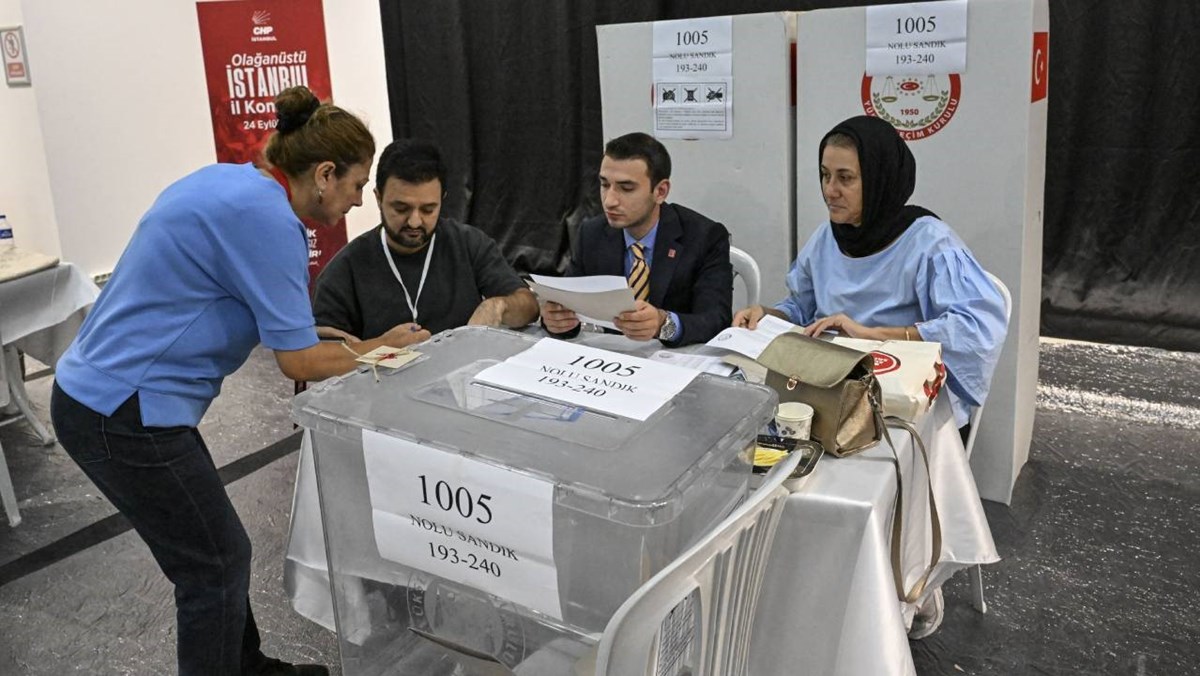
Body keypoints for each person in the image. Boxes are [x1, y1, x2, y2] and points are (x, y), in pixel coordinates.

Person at [50, 87, 427, 676]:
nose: (357, 202)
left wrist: (358, 345)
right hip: (122, 410)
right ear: (325, 174)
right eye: (356, 186)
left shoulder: (228, 183)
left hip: (107, 396)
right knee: (215, 563)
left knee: (214, 551)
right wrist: (382, 350)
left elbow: (282, 323)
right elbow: (298, 361)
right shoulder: (270, 220)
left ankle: (245, 667)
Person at [732, 114, 1007, 639]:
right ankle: (812, 589)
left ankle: (900, 588)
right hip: (835, 387)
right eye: (824, 175)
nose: (830, 191)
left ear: (879, 178)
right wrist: (768, 313)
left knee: (864, 478)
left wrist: (876, 333)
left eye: (846, 178)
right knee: (786, 464)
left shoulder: (928, 241)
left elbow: (977, 327)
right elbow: (804, 304)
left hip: (905, 399)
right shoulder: (828, 238)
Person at [312, 139, 538, 341]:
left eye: (428, 209)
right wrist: (376, 349)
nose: (414, 222)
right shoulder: (345, 269)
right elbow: (324, 357)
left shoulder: (468, 244)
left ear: (443, 200)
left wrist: (499, 305)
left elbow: (528, 305)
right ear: (379, 198)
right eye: (401, 208)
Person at [540, 132, 732, 346]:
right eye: (604, 185)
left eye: (626, 188)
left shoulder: (704, 237)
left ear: (660, 191)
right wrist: (558, 321)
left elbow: (717, 320)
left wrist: (663, 324)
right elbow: (570, 304)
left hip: (676, 360)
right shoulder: (592, 233)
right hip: (612, 361)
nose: (610, 201)